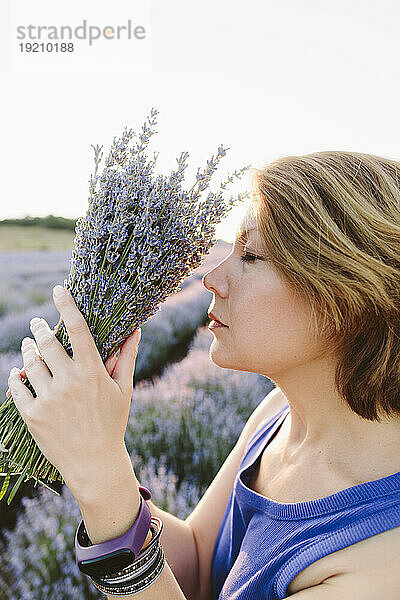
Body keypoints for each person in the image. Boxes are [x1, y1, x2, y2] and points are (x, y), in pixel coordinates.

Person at [8, 150, 400, 599]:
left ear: (344, 296)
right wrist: (91, 457)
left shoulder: (384, 560)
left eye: (250, 256)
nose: (211, 278)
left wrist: (103, 478)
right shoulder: (278, 414)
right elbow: (196, 565)